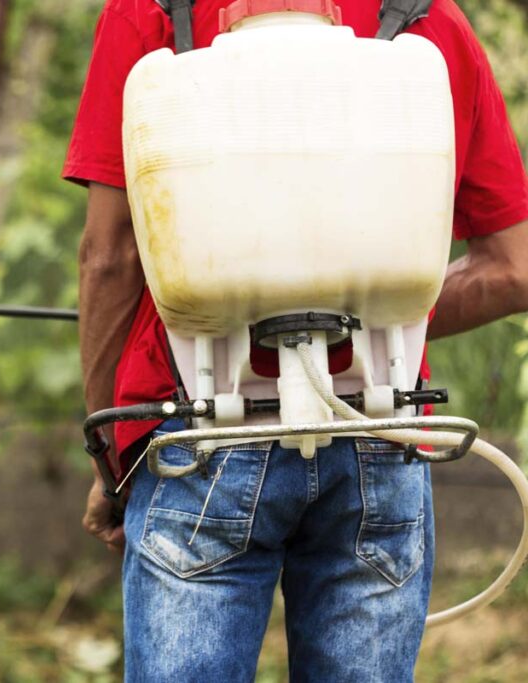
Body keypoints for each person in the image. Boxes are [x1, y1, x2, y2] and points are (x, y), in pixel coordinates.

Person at [64, 0, 528, 680]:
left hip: (200, 434)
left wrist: (109, 453)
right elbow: (515, 268)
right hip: (381, 430)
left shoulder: (154, 11)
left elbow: (111, 258)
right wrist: (367, 311)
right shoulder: (429, 19)